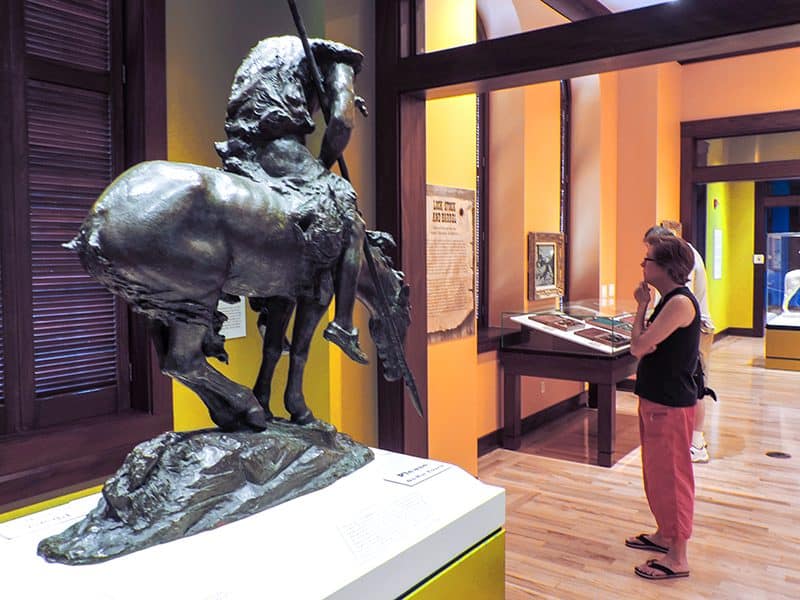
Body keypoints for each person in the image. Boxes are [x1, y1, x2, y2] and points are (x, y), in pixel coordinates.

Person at [215, 36, 369, 363]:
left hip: (241, 152)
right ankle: (342, 324)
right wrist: (323, 168)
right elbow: (341, 123)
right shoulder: (339, 59)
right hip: (282, 152)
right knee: (348, 214)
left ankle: (269, 309)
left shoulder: (266, 48)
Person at [625, 233, 699, 581]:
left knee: (673, 476)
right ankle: (664, 534)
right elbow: (640, 345)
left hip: (670, 403)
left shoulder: (680, 303)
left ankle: (678, 556)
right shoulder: (668, 300)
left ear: (666, 267)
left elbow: (638, 347)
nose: (643, 264)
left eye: (648, 260)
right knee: (656, 473)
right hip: (657, 399)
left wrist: (640, 307)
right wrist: (643, 306)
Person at [644, 225, 715, 463]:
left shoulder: (685, 259)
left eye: (650, 254)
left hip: (693, 327)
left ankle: (696, 443)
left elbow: (680, 294)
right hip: (690, 323)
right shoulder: (686, 254)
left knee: (695, 385)